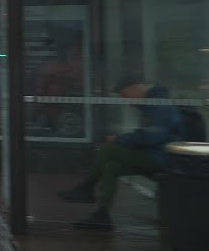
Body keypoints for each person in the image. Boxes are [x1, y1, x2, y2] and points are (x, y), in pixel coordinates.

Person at [59, 76, 186, 229]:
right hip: (154, 156)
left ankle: (87, 188)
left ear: (135, 87)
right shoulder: (151, 104)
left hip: (162, 159)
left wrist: (120, 139)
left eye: (126, 95)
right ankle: (102, 214)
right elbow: (149, 135)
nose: (127, 101)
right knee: (111, 166)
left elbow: (153, 136)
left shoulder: (159, 104)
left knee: (110, 149)